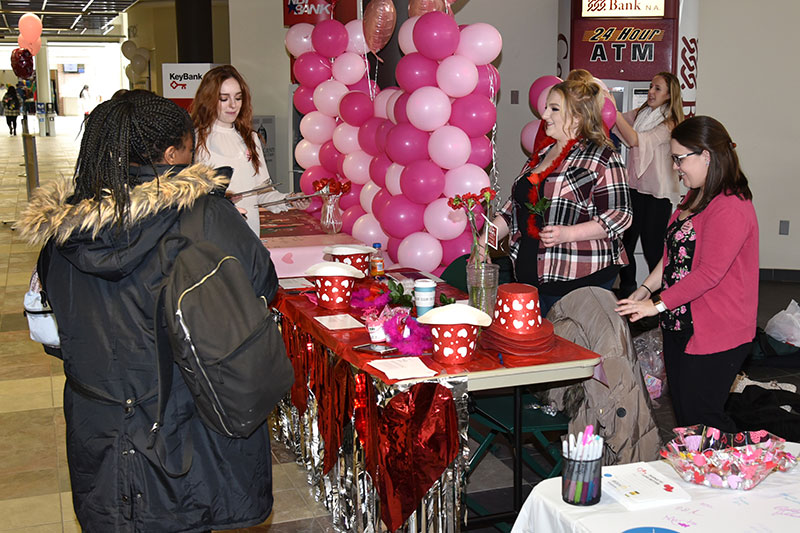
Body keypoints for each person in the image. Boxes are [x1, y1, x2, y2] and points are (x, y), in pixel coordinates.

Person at [16, 90, 279, 531]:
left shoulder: (62, 231)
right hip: (184, 427)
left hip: (100, 428)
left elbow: (56, 331)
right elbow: (260, 287)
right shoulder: (205, 215)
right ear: (173, 153)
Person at [616, 116, 757, 433]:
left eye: (680, 159)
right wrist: (645, 290)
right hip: (682, 323)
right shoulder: (695, 195)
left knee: (703, 417)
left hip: (717, 330)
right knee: (688, 418)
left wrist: (656, 305)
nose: (676, 167)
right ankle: (703, 474)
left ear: (706, 156)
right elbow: (672, 255)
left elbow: (709, 274)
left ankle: (741, 470)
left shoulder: (731, 205)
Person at [490, 79, 632, 316]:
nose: (544, 114)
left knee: (570, 352)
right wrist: (483, 241)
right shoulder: (541, 155)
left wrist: (569, 234)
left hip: (578, 283)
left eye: (554, 108)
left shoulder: (602, 156)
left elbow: (620, 216)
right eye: (546, 107)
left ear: (577, 117)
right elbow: (511, 210)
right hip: (530, 281)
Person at [192, 65, 303, 236]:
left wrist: (290, 200)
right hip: (211, 237)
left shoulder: (251, 139)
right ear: (209, 99)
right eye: (224, 98)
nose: (233, 105)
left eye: (238, 98)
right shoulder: (194, 141)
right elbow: (185, 199)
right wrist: (220, 202)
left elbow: (262, 193)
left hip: (248, 236)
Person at [613, 72, 684, 295]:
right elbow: (619, 122)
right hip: (634, 188)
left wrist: (613, 113)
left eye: (657, 89)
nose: (651, 92)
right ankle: (628, 291)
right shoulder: (643, 113)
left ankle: (659, 298)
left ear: (669, 95)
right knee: (624, 244)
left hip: (657, 195)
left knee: (653, 250)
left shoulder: (669, 123)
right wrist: (606, 109)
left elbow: (636, 140)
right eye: (651, 87)